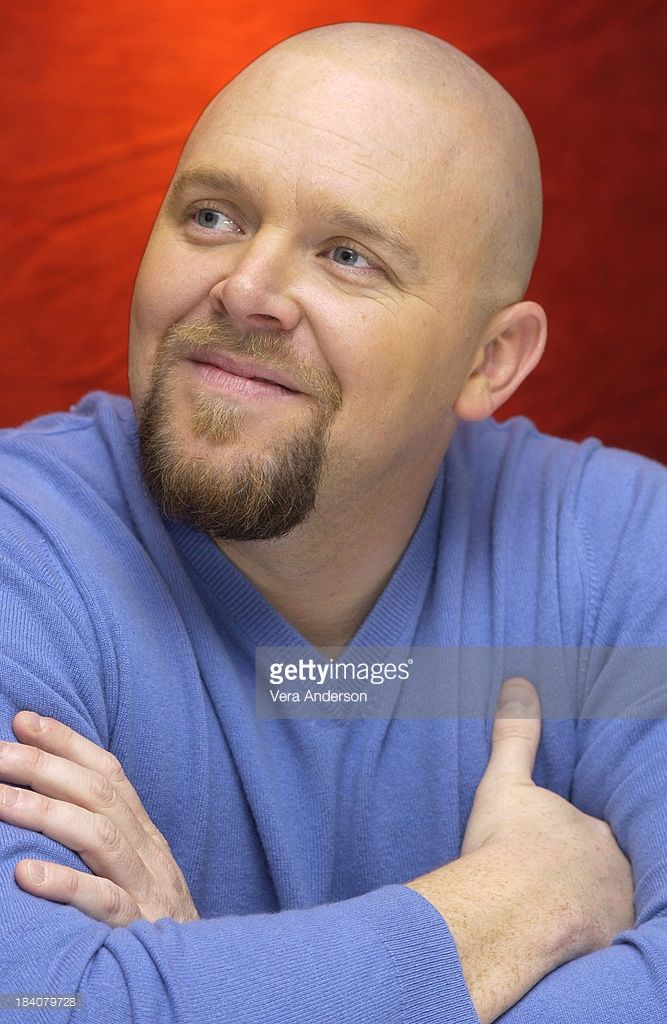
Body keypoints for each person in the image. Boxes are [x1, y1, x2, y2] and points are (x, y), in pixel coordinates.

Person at [0, 20, 664, 1024]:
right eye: (213, 216)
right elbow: (32, 1001)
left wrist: (180, 981)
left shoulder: (624, 556)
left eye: (348, 255)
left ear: (488, 361)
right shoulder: (23, 549)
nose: (246, 290)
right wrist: (513, 909)